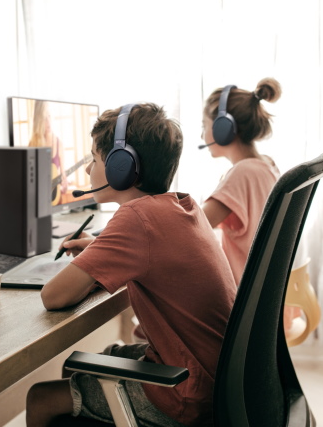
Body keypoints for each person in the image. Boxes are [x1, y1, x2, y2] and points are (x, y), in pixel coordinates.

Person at [26, 103, 236, 427]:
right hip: (216, 380)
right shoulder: (182, 205)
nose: (86, 171)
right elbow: (156, 255)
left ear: (120, 167)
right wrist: (101, 252)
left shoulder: (135, 219)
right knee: (80, 367)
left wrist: (87, 262)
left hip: (184, 392)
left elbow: (53, 297)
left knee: (40, 397)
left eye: (93, 160)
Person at [200, 78, 303, 329]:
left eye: (204, 125)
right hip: (266, 301)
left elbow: (194, 226)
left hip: (242, 305)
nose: (202, 134)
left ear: (225, 128)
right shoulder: (265, 165)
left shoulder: (243, 173)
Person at [29, 100, 69, 202]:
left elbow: (63, 175)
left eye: (49, 116)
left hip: (54, 199)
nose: (48, 121)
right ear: (38, 120)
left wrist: (64, 184)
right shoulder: (32, 144)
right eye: (44, 118)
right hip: (38, 200)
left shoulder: (58, 143)